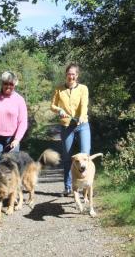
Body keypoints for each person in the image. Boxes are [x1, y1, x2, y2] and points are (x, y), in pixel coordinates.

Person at [50, 63, 91, 197]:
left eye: (73, 74)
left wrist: (82, 117)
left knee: (85, 155)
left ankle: (86, 186)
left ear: (77, 75)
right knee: (68, 158)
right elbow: (53, 105)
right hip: (67, 126)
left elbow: (84, 105)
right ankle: (68, 187)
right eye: (69, 74)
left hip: (82, 125)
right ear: (66, 75)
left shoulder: (83, 88)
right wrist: (59, 110)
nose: (71, 76)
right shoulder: (59, 89)